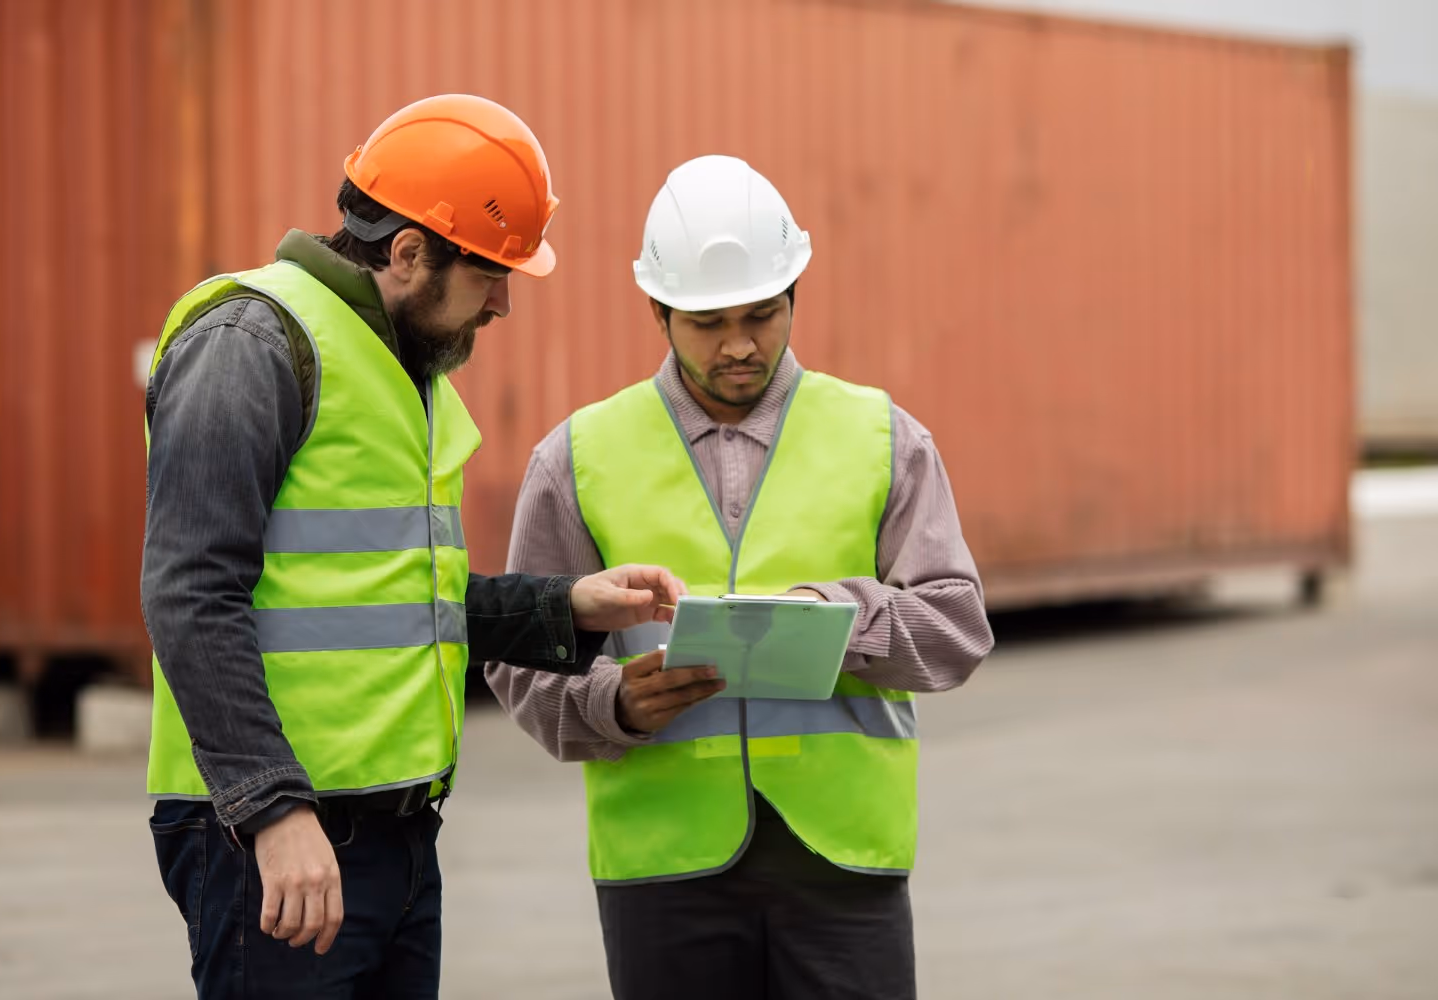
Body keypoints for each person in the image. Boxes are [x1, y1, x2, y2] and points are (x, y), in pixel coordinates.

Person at [140, 94, 685, 1000]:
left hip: (395, 840)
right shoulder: (251, 341)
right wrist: (273, 811)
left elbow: (389, 599)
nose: (505, 303)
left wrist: (565, 605)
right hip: (279, 842)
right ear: (407, 253)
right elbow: (190, 593)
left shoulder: (396, 364)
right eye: (490, 276)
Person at [486, 155, 995, 1000]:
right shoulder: (578, 458)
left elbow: (957, 630)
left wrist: (837, 617)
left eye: (763, 315)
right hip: (662, 867)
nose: (739, 345)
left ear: (796, 294)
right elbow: (516, 658)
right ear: (658, 311)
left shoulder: (883, 438)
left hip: (842, 865)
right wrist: (609, 704)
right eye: (707, 321)